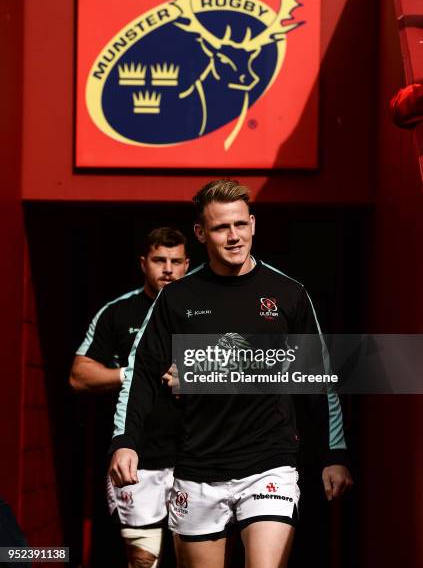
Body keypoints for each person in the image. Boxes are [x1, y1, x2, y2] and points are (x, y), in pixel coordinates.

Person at [108, 181, 353, 568]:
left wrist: (333, 454)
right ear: (201, 233)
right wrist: (125, 441)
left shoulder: (288, 294)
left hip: (270, 464)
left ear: (253, 224)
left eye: (241, 224)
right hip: (198, 469)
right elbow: (141, 375)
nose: (234, 236)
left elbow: (317, 378)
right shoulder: (177, 299)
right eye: (222, 228)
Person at [70, 227, 189, 568]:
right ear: (143, 263)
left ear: (187, 264)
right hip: (140, 458)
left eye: (175, 261)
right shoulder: (117, 313)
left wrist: (197, 376)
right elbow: (79, 375)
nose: (167, 268)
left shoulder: (206, 310)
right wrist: (132, 373)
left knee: (197, 558)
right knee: (143, 561)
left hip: (197, 455)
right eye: (159, 260)